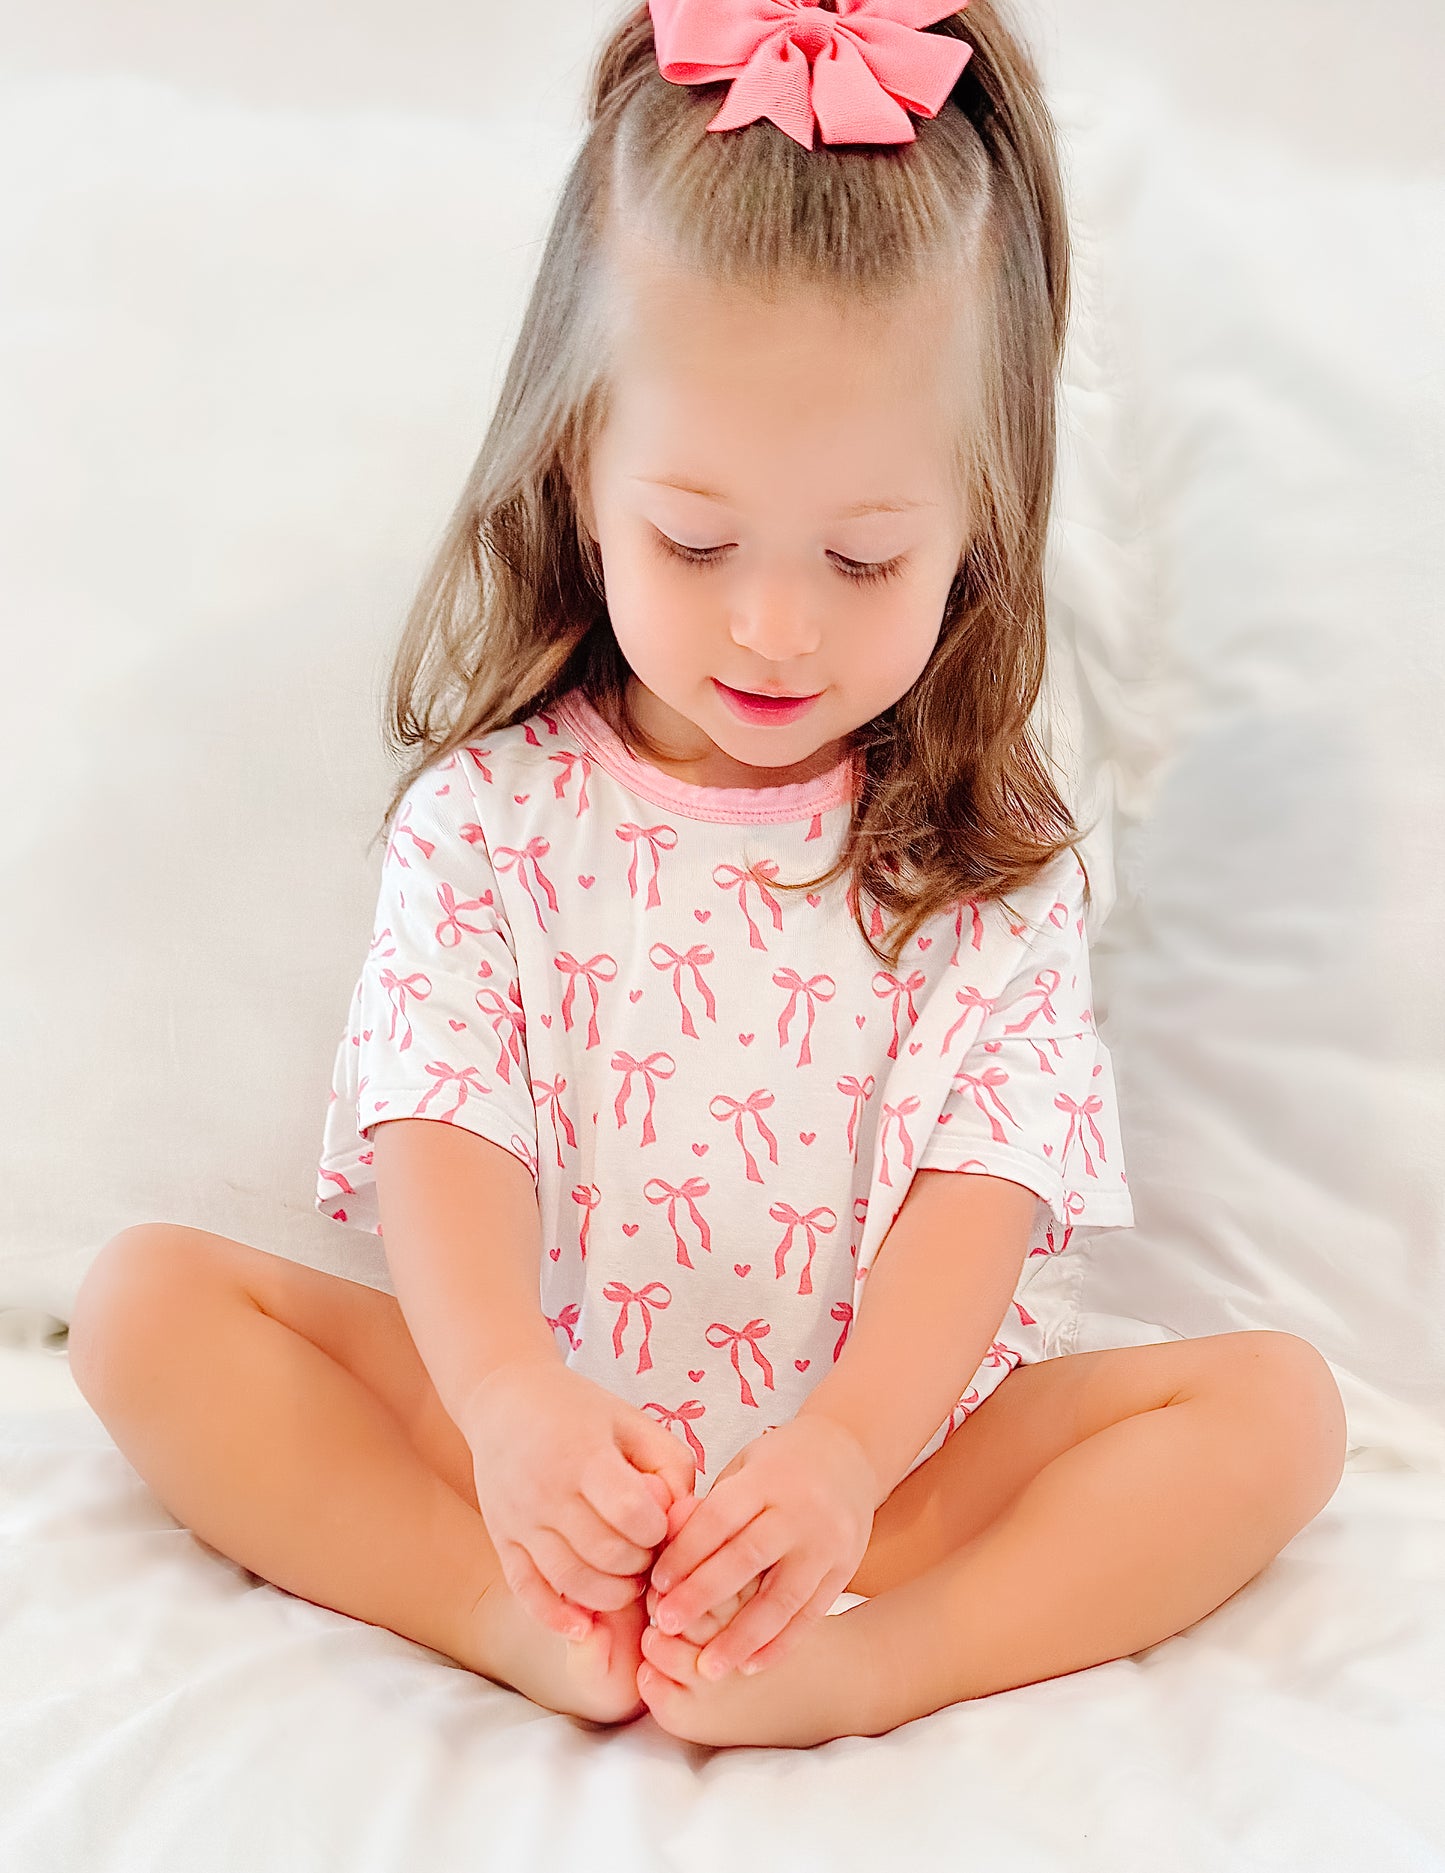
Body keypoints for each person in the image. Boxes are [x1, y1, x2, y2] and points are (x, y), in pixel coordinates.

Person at [66, 0, 1348, 1753]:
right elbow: (444, 1124)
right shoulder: (494, 821)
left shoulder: (980, 869)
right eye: (693, 537)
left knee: (1275, 1412)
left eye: (861, 554)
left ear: (977, 522)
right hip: (525, 1458)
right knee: (145, 1305)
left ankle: (874, 1661)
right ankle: (500, 1607)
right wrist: (514, 1410)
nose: (770, 622)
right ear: (578, 460)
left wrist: (835, 1458)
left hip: (883, 1489)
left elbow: (978, 1194)